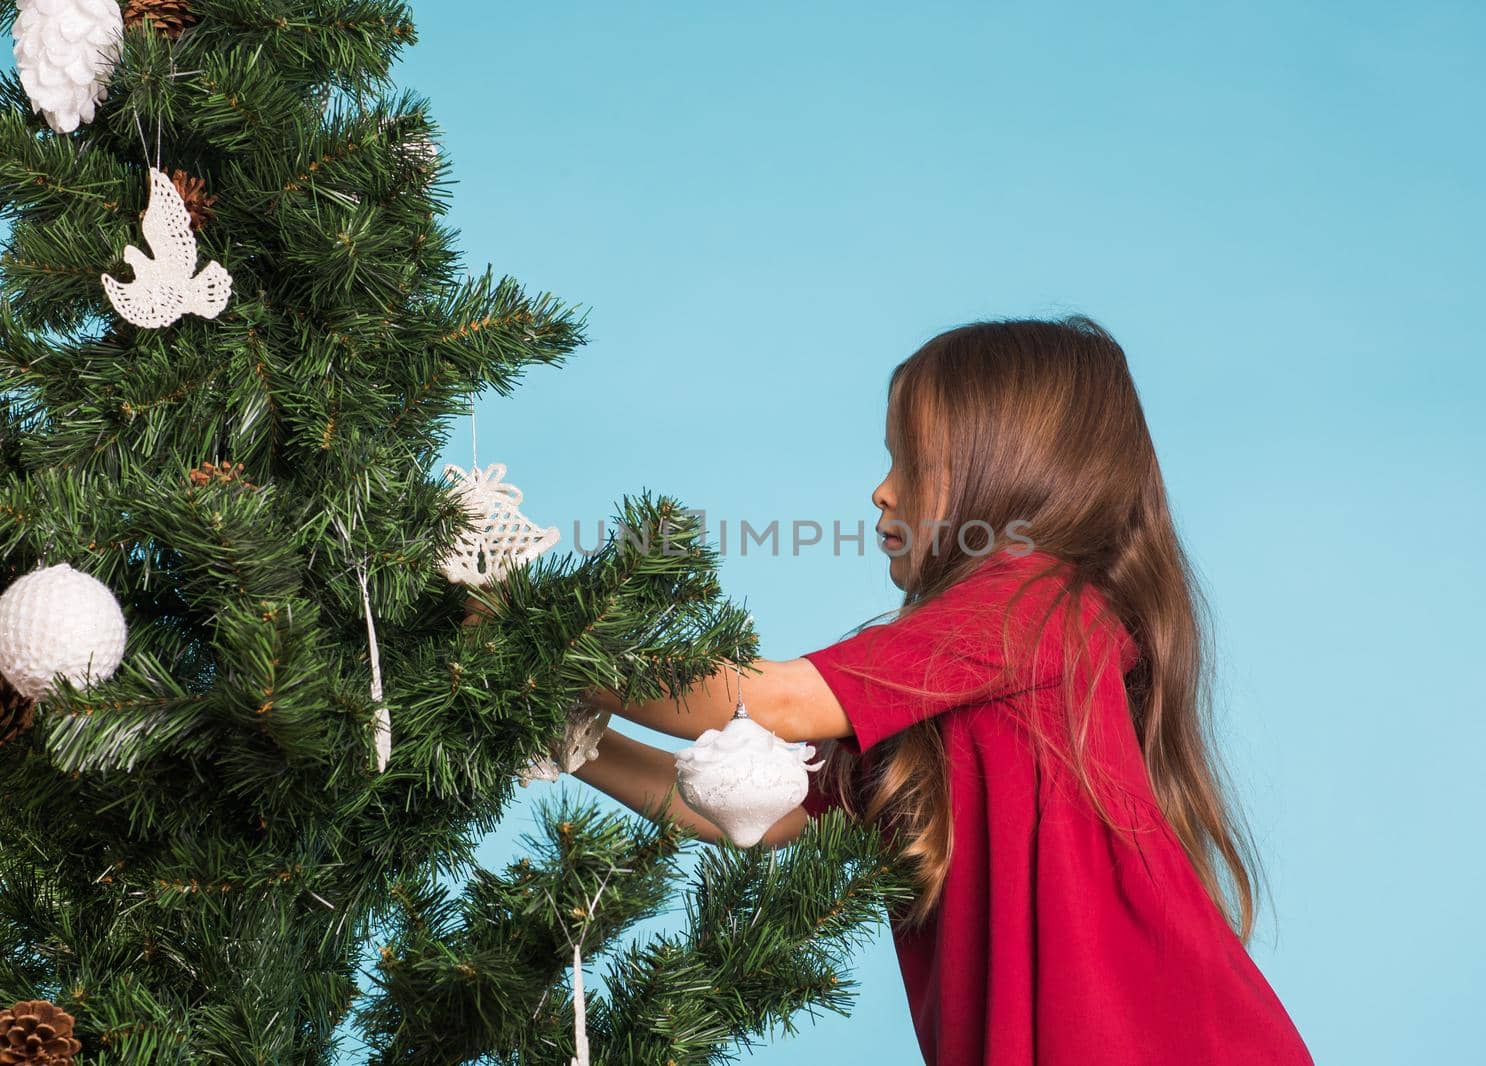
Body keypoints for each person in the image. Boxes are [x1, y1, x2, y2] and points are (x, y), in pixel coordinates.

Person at [466, 316, 1314, 1064]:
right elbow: (756, 814)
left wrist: (538, 627)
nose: (880, 489)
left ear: (1002, 471)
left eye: (910, 461)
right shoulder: (954, 681)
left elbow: (770, 701)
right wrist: (569, 735)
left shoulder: (1039, 607)